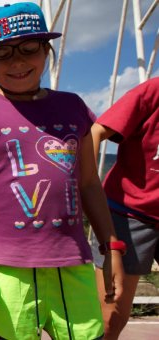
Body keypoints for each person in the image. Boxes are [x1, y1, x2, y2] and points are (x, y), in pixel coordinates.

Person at [0, 3, 125, 339]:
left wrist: (110, 246)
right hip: (4, 265)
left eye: (29, 48)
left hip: (72, 260)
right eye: (2, 52)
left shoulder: (73, 107)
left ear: (47, 50)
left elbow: (87, 183)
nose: (18, 61)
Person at [89, 77, 159, 339]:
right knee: (110, 318)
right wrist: (86, 189)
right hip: (128, 213)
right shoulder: (154, 90)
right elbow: (97, 131)